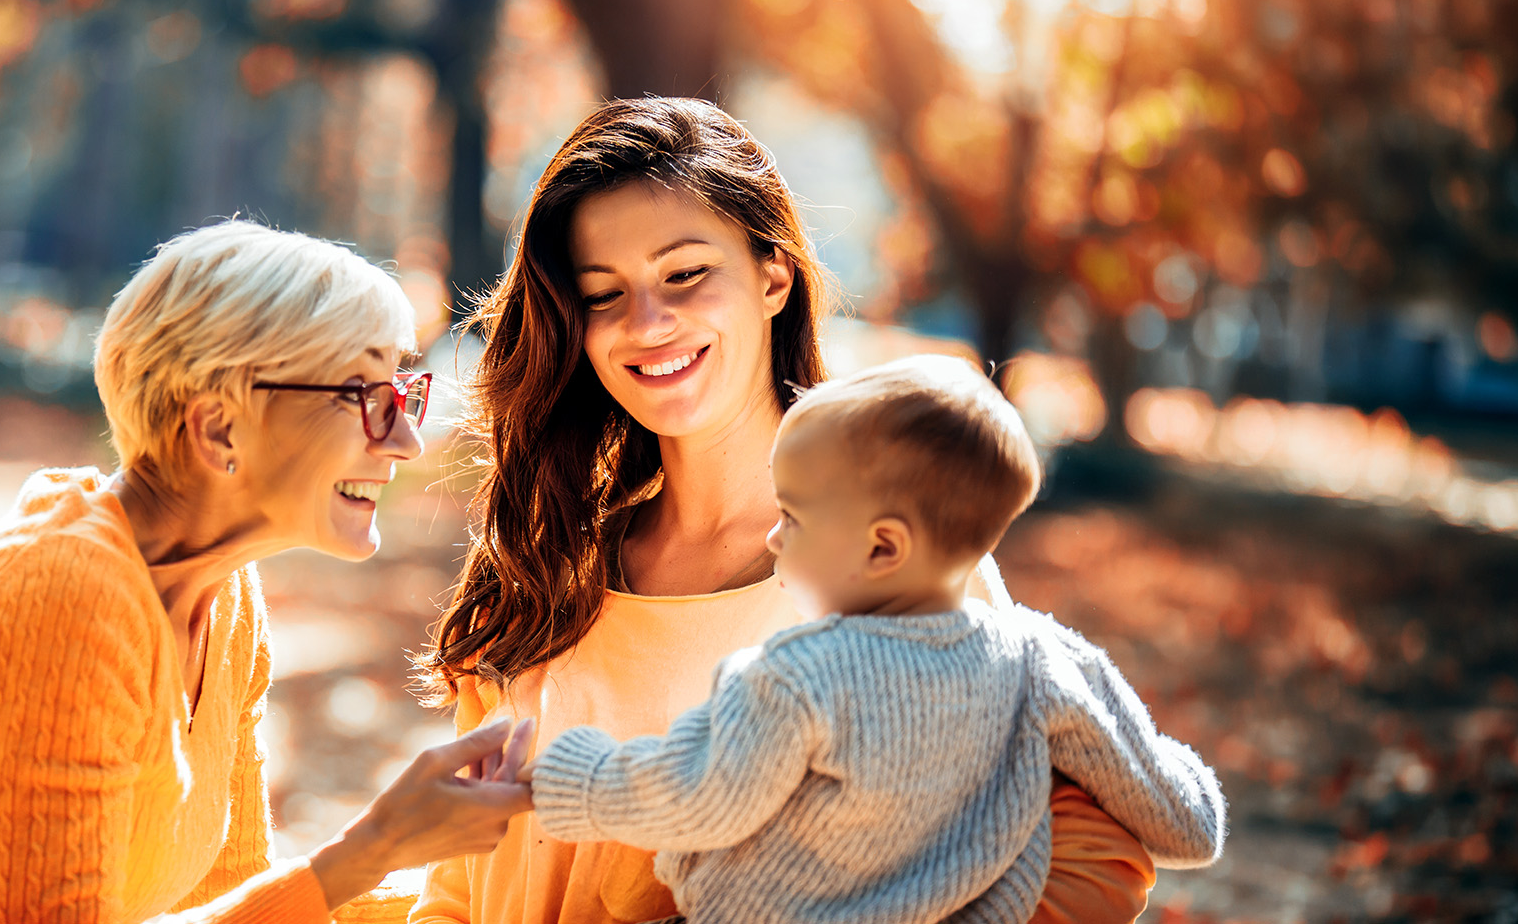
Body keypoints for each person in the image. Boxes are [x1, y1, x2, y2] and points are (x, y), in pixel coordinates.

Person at [412, 97, 1161, 924]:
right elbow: (459, 883)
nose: (647, 324)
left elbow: (1094, 862)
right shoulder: (548, 559)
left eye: (686, 274)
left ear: (774, 276)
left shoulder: (896, 560)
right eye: (602, 294)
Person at [0, 220, 537, 924]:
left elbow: (236, 904)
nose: (407, 441)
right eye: (361, 393)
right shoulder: (64, 597)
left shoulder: (224, 596)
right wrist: (371, 851)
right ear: (219, 427)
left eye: (400, 391)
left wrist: (475, 895)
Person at [524, 356, 1227, 923]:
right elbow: (1183, 821)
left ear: (883, 547)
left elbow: (699, 793)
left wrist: (571, 775)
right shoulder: (1041, 657)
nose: (772, 536)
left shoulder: (798, 676)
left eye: (793, 517)